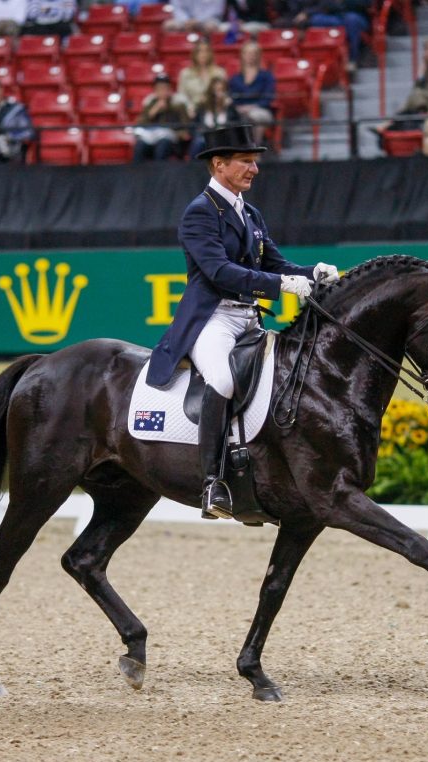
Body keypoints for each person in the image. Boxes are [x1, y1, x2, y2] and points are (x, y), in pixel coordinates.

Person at [144, 124, 336, 519]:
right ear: (219, 165)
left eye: (255, 161)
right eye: (246, 161)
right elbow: (219, 272)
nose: (255, 169)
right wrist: (283, 284)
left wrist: (313, 272)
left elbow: (276, 264)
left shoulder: (249, 212)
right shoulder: (200, 213)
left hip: (249, 319)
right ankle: (212, 482)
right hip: (212, 319)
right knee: (223, 380)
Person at [287, 0, 372, 69]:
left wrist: (343, 2)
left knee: (352, 20)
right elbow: (322, 5)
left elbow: (366, 3)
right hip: (331, 14)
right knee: (316, 20)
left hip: (354, 14)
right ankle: (318, 60)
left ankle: (352, 59)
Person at [133, 74, 194, 162]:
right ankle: (136, 173)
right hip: (151, 139)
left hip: (173, 141)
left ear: (170, 90)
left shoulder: (178, 105)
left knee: (163, 144)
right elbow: (140, 123)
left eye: (165, 88)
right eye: (159, 89)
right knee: (139, 145)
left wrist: (177, 134)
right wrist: (154, 111)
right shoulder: (150, 104)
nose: (163, 92)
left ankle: (160, 174)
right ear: (155, 91)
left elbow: (186, 128)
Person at [228, 41, 276, 144]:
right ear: (242, 55)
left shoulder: (267, 76)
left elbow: (268, 97)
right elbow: (232, 97)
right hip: (239, 111)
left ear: (258, 56)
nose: (250, 56)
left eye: (254, 53)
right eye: (247, 53)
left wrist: (251, 107)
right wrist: (238, 108)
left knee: (254, 116)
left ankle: (254, 148)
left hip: (261, 110)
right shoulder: (235, 78)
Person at [190, 77, 243, 156]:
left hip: (225, 138)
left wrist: (230, 106)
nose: (218, 94)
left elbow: (237, 124)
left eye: (221, 90)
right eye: (215, 90)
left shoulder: (230, 107)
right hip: (206, 137)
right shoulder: (202, 106)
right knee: (199, 142)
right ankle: (192, 166)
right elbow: (195, 125)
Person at [179, 39, 229, 111]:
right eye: (200, 51)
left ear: (210, 54)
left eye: (206, 51)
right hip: (192, 110)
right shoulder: (185, 73)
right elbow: (182, 96)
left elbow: (224, 94)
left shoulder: (219, 72)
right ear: (194, 54)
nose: (203, 54)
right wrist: (189, 107)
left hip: (214, 110)